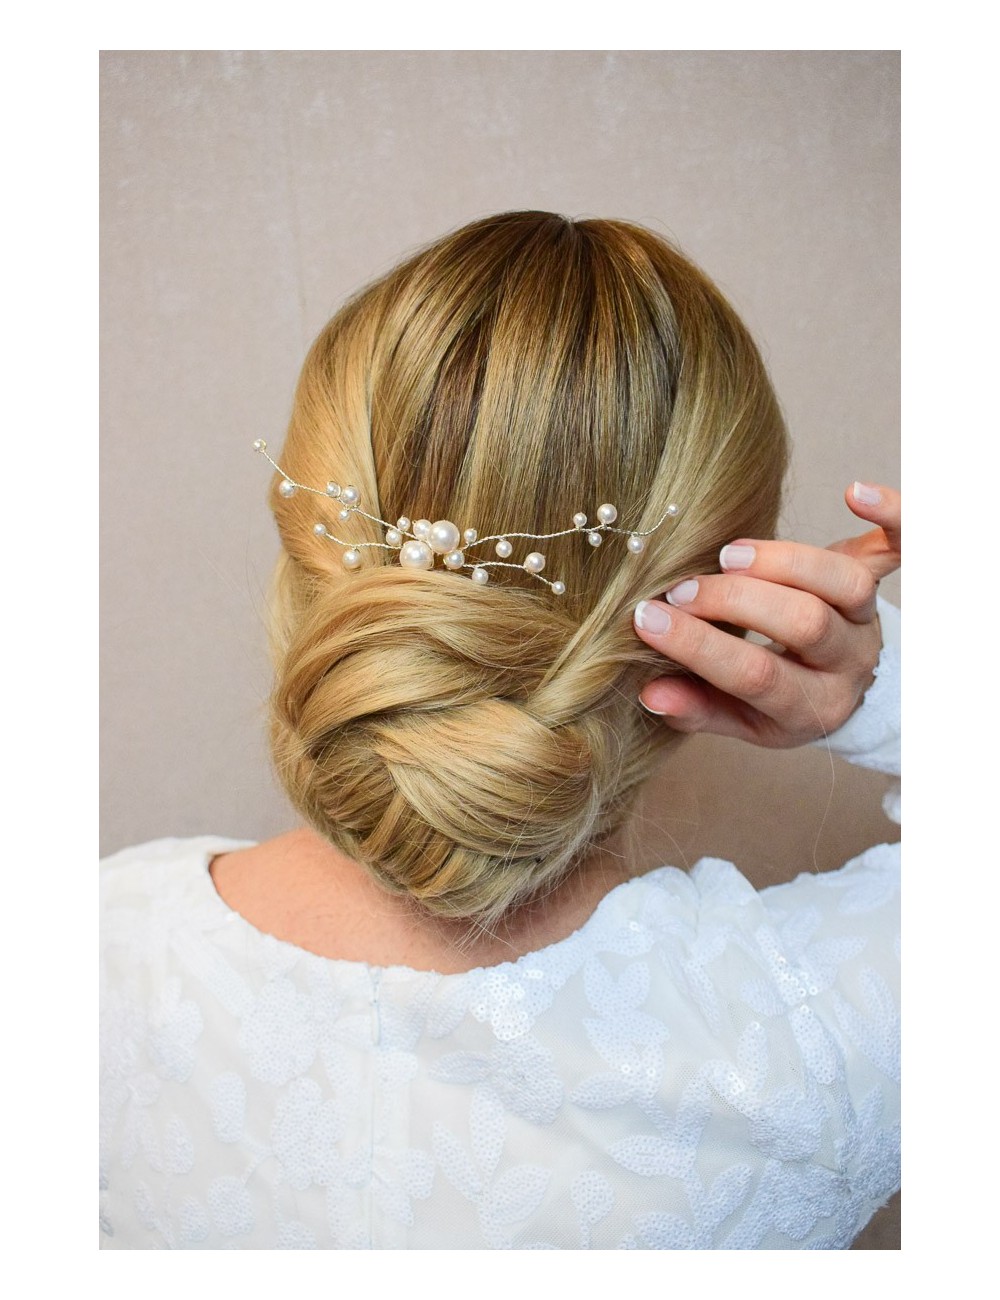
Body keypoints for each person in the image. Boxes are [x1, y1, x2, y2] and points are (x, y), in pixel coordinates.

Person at [100, 211, 900, 1249]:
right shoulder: (814, 1042)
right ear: (722, 602)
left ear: (310, 542)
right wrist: (881, 686)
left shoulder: (93, 956)